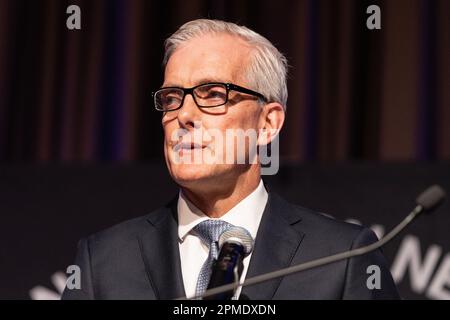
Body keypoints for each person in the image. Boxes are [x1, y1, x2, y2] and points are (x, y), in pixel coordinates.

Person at [62, 19, 399, 300]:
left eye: (213, 95)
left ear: (267, 123)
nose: (184, 115)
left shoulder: (343, 257)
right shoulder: (103, 261)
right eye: (172, 97)